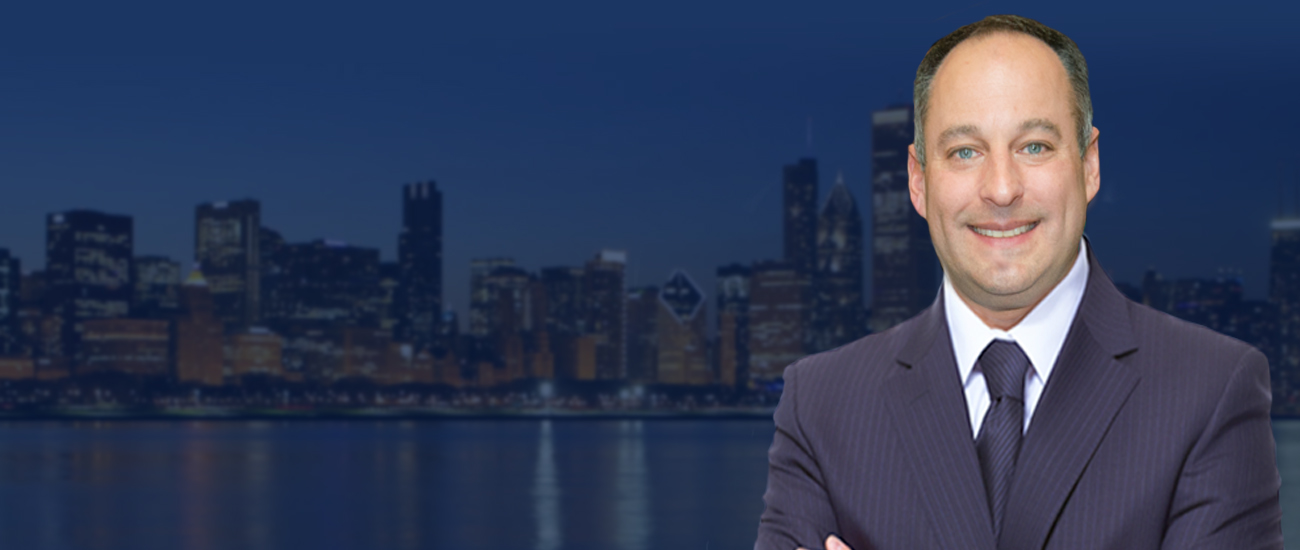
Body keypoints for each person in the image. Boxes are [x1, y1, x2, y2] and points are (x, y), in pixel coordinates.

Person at [754, 14, 1282, 550]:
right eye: (965, 152)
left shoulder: (1211, 390)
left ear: (1089, 165)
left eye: (1034, 146)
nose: (1002, 189)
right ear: (917, 182)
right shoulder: (820, 404)